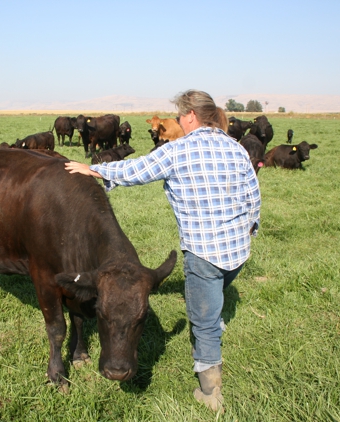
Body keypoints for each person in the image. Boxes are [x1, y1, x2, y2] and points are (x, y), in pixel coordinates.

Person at [65, 89, 261, 412]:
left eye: (182, 117)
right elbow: (253, 193)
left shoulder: (178, 151)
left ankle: (211, 392)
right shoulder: (236, 149)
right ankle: (215, 313)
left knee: (204, 320)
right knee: (217, 297)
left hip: (204, 253)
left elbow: (136, 170)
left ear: (192, 117)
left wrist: (95, 170)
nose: (179, 123)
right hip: (238, 250)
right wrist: (250, 227)